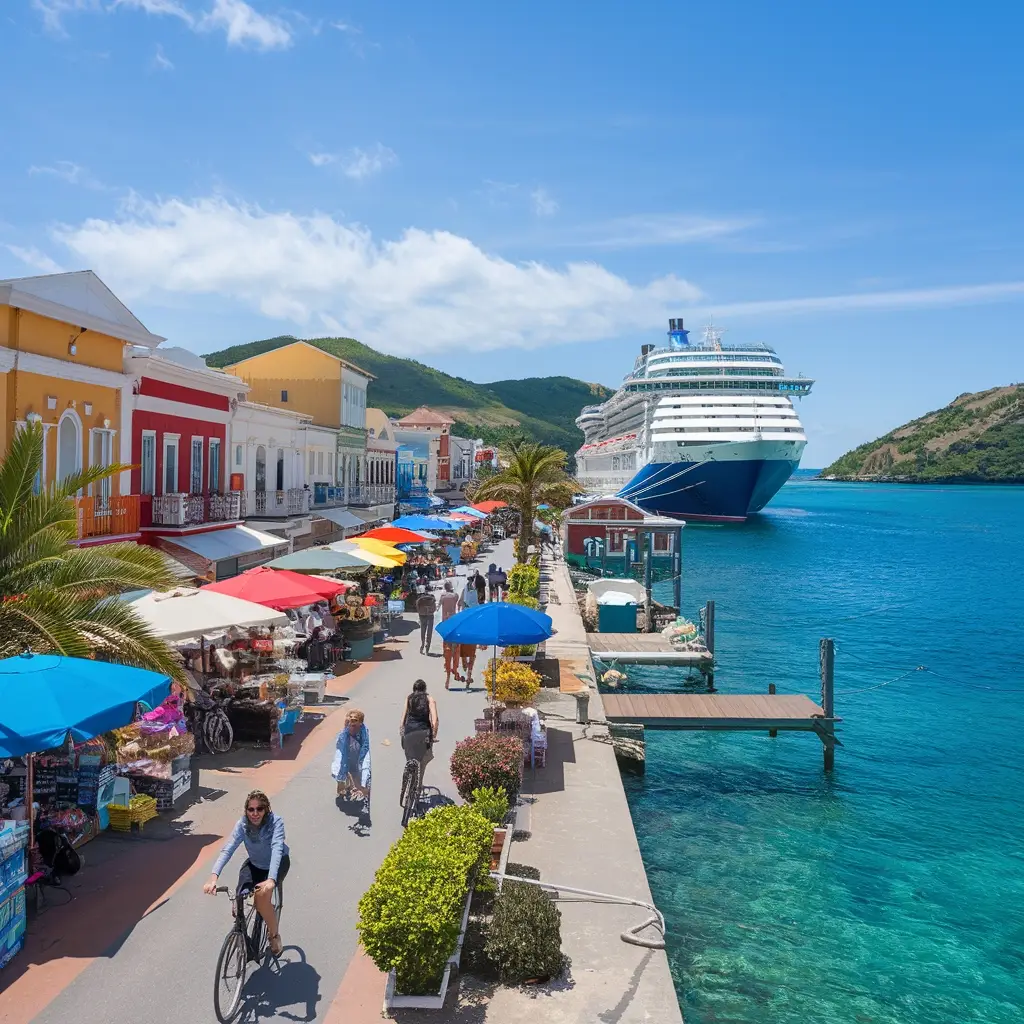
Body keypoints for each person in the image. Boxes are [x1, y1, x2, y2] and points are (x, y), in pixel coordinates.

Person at [204, 790, 289, 956]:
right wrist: (213, 877)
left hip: (276, 865)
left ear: (266, 809)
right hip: (255, 864)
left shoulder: (275, 822)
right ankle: (242, 934)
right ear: (246, 810)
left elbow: (277, 848)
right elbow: (228, 849)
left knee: (261, 899)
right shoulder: (242, 825)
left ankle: (274, 936)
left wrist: (271, 879)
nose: (255, 813)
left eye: (259, 809)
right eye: (251, 809)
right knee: (239, 897)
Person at [400, 679, 438, 780]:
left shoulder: (409, 698)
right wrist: (434, 735)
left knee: (410, 758)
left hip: (409, 731)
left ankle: (408, 780)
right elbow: (435, 720)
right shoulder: (429, 699)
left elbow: (403, 718)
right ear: (425, 689)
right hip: (424, 732)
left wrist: (402, 732)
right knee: (425, 758)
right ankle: (418, 783)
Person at [332, 709, 371, 804]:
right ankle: (346, 788)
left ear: (360, 723)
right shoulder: (345, 731)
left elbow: (365, 746)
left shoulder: (363, 732)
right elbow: (340, 743)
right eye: (351, 718)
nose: (352, 720)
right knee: (343, 770)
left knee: (358, 772)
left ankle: (359, 789)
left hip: (358, 754)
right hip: (346, 754)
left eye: (355, 719)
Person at [416, 586, 437, 654]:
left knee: (423, 630)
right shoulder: (432, 597)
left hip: (422, 615)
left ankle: (422, 645)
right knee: (429, 632)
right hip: (430, 615)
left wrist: (420, 612)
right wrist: (430, 611)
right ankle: (427, 648)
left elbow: (417, 606)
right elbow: (434, 608)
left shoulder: (420, 597)